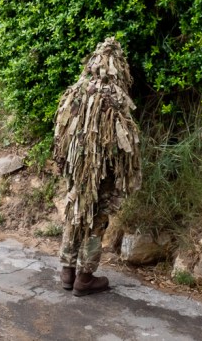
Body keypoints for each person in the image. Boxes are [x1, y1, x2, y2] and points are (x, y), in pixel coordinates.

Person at [53, 37, 142, 297]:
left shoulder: (73, 93)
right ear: (119, 68)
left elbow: (60, 134)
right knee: (96, 218)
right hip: (102, 173)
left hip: (75, 169)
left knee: (75, 212)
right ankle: (85, 277)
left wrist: (66, 163)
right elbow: (127, 145)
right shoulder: (115, 99)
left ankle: (67, 271)